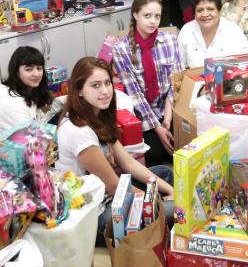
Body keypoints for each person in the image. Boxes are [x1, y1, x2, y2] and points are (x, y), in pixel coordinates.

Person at [55, 57, 175, 242]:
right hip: (97, 214)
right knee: (175, 208)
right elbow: (114, 186)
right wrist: (155, 201)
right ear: (79, 90)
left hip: (112, 194)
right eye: (95, 85)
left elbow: (127, 162)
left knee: (166, 174)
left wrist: (169, 191)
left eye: (107, 83)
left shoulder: (98, 114)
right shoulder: (77, 131)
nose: (104, 91)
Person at [111, 0, 181, 167]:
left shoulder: (170, 41)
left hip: (169, 109)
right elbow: (135, 95)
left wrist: (169, 115)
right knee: (154, 154)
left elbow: (177, 81)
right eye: (147, 16)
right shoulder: (121, 49)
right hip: (143, 114)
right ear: (135, 15)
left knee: (185, 143)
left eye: (157, 16)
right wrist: (158, 127)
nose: (153, 21)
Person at [0, 46, 54, 136]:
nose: (36, 74)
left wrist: (56, 107)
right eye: (29, 69)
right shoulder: (12, 103)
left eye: (39, 68)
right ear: (16, 72)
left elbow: (41, 117)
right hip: (7, 149)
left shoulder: (31, 91)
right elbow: (33, 139)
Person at [178, 0, 248, 69]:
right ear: (194, 14)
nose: (205, 14)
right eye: (200, 10)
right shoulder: (186, 31)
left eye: (210, 9)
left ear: (219, 11)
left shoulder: (233, 31)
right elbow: (180, 67)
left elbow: (245, 65)